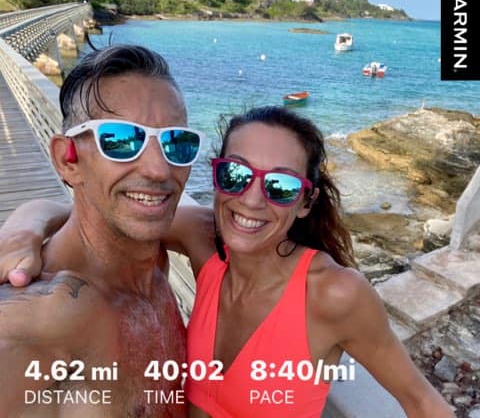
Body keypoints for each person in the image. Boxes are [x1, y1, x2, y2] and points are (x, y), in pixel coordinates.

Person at [0, 104, 454, 417]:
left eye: (279, 187)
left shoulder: (335, 294)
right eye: (236, 175)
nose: (252, 200)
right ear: (216, 176)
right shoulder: (206, 245)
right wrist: (21, 231)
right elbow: (104, 208)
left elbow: (424, 404)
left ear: (304, 203)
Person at [0, 44, 207, 417]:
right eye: (121, 141)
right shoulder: (42, 317)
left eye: (177, 143)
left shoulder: (157, 250)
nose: (159, 171)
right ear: (68, 159)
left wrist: (24, 223)